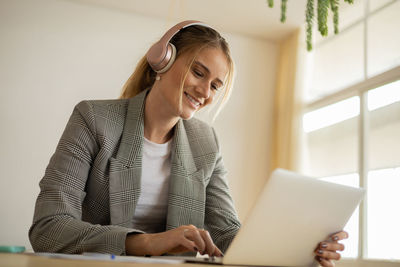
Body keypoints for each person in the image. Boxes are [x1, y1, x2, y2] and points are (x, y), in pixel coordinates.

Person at [29, 20, 347, 266]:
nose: (205, 92)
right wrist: (149, 242)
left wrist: (298, 250)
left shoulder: (205, 142)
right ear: (163, 60)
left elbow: (226, 233)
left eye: (215, 86)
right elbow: (48, 228)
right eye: (198, 72)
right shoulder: (94, 119)